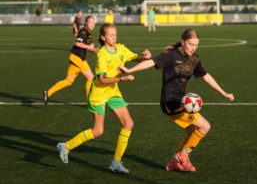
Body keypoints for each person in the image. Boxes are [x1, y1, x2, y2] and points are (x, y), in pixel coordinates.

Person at [120, 28, 234, 172]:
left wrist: (223, 93)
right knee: (205, 126)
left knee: (193, 131)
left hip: (181, 101)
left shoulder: (194, 59)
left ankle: (174, 162)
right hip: (170, 101)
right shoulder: (171, 55)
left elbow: (206, 76)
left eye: (196, 45)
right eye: (191, 44)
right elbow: (151, 62)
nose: (194, 48)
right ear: (183, 41)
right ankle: (183, 156)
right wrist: (130, 70)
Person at [56, 23, 152, 174]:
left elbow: (135, 58)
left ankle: (116, 162)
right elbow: (102, 80)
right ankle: (66, 146)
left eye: (115, 34)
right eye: (111, 35)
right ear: (103, 37)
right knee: (98, 131)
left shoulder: (121, 48)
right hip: (99, 93)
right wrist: (122, 79)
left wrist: (144, 57)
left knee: (128, 123)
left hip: (113, 92)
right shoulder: (102, 54)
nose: (114, 37)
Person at [43, 15, 98, 105]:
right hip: (78, 59)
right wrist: (90, 47)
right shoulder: (83, 32)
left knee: (69, 81)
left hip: (77, 58)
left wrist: (93, 48)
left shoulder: (89, 33)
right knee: (91, 78)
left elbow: (89, 44)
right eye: (90, 22)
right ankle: (90, 102)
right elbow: (78, 43)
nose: (92, 24)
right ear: (86, 23)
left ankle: (48, 93)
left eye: (93, 22)